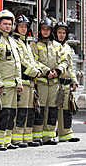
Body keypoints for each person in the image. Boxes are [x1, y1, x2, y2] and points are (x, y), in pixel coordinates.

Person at [31, 17, 68, 145]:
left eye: (48, 29)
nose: (45, 32)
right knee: (40, 109)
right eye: (43, 29)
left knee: (52, 109)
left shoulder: (57, 46)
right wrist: (47, 71)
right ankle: (37, 136)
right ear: (40, 30)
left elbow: (64, 61)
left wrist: (57, 71)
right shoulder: (35, 45)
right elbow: (34, 61)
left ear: (51, 30)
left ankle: (49, 136)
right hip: (41, 82)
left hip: (54, 83)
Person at [0, 9, 22, 151]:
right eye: (5, 24)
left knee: (11, 114)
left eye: (10, 24)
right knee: (1, 113)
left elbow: (17, 63)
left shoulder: (12, 40)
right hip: (3, 85)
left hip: (14, 85)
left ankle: (7, 140)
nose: (8, 26)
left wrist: (19, 82)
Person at [11, 15, 42, 148]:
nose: (23, 29)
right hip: (23, 81)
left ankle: (27, 138)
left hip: (31, 83)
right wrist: (35, 72)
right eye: (21, 26)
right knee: (21, 111)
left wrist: (40, 70)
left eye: (25, 26)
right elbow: (21, 62)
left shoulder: (27, 43)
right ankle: (17, 139)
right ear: (16, 27)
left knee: (29, 111)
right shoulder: (15, 42)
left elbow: (32, 61)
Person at [53, 22, 80, 142]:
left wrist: (74, 81)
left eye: (64, 33)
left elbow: (70, 67)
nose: (62, 35)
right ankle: (52, 133)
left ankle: (66, 134)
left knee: (66, 110)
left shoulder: (68, 48)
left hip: (66, 83)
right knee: (54, 109)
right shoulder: (52, 46)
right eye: (59, 32)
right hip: (55, 82)